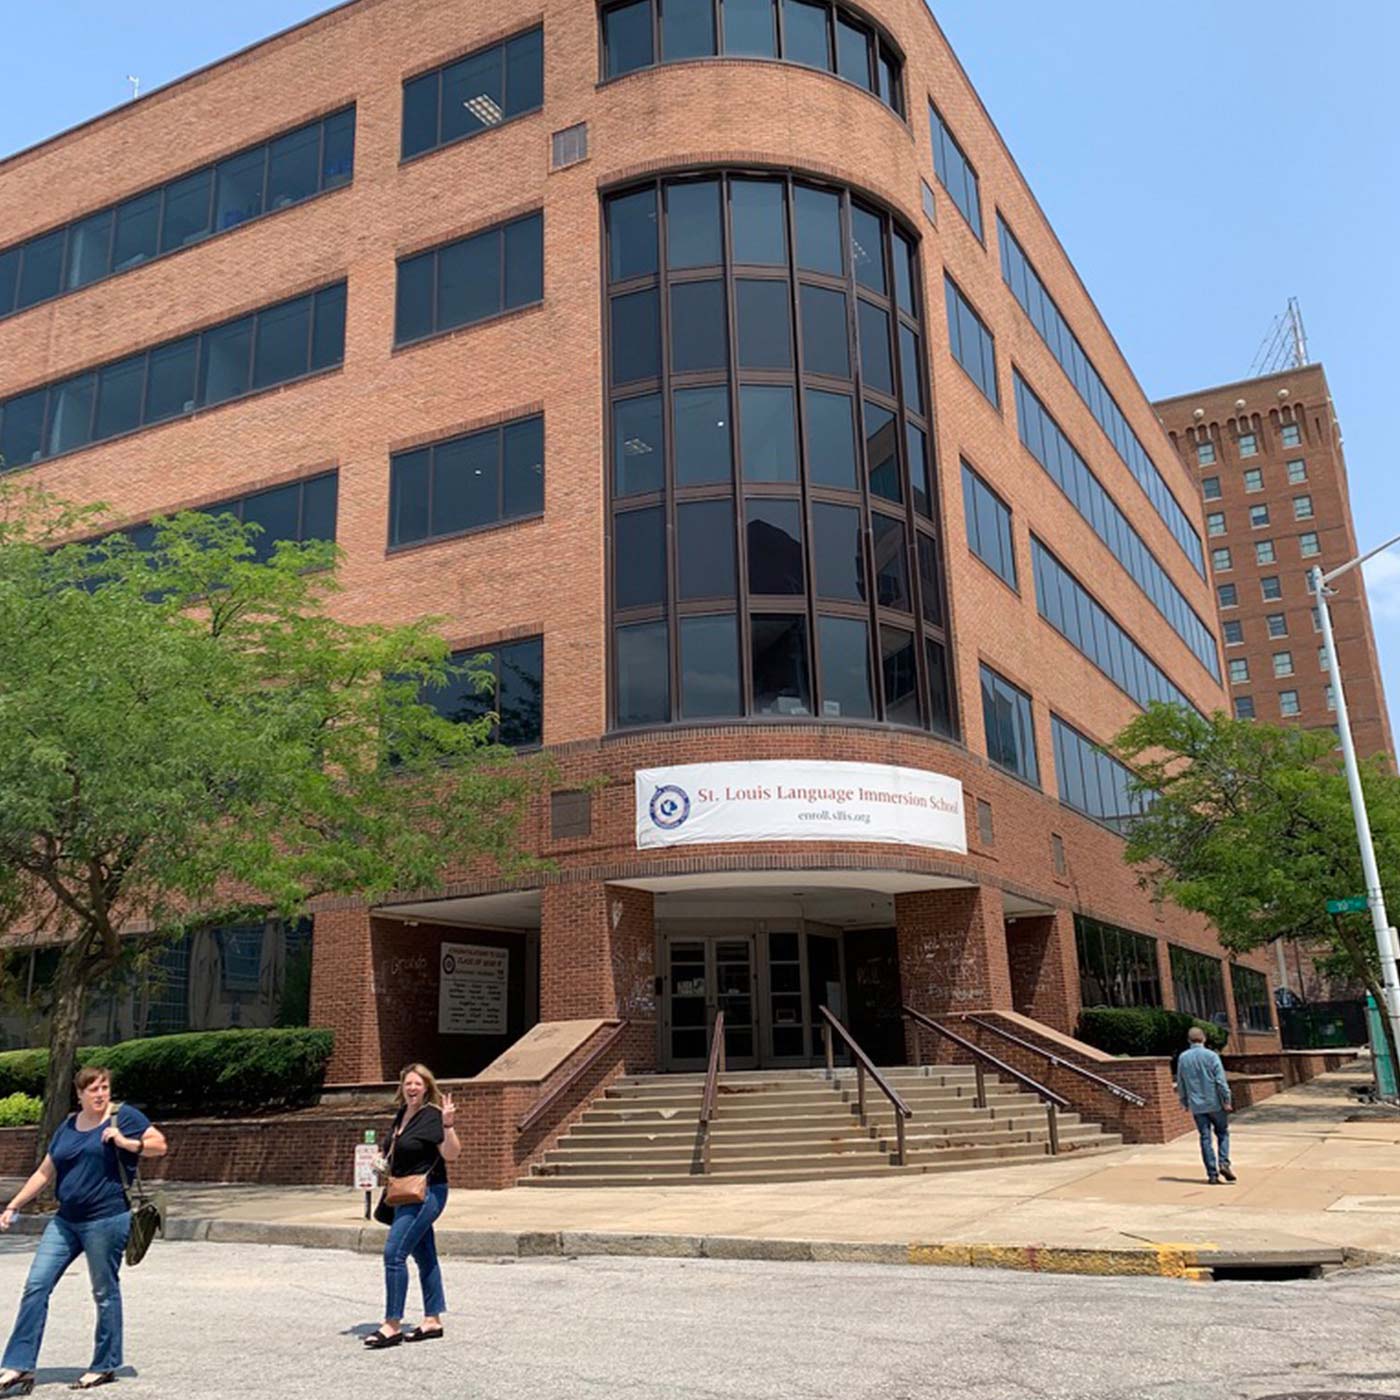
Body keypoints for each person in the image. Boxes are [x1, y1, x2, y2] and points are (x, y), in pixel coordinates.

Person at [0, 1065, 167, 1394]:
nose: (100, 1094)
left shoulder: (124, 1117)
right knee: (36, 1285)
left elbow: (159, 1145)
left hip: (106, 1219)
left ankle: (104, 1365)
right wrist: (13, 1205)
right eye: (93, 1089)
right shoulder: (67, 1126)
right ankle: (19, 1366)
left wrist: (125, 1142)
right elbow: (45, 1173)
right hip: (66, 1220)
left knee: (104, 1293)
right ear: (79, 1094)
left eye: (104, 1087)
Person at [364, 1063, 460, 1350]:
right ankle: (432, 1320)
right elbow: (395, 1151)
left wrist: (449, 1124)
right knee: (425, 1255)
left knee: (394, 1254)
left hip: (427, 1192)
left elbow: (451, 1154)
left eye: (417, 1084)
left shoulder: (432, 1116)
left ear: (427, 1087)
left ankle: (392, 1325)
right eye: (408, 1084)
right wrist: (381, 1159)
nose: (412, 1088)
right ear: (402, 1088)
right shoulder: (401, 1115)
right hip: (403, 1193)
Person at [1176, 1026, 1235, 1185]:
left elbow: (1181, 1082)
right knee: (1222, 1133)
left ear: (1189, 1040)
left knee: (1205, 1138)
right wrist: (1227, 1100)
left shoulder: (1183, 1058)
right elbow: (1220, 1081)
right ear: (1204, 1039)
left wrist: (1183, 1101)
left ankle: (1212, 1174)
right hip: (1214, 1102)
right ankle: (1224, 1163)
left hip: (1197, 1105)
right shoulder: (1211, 1056)